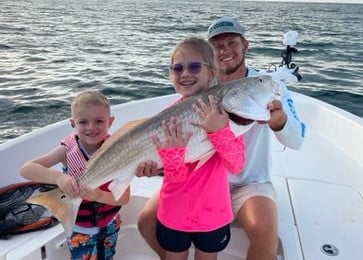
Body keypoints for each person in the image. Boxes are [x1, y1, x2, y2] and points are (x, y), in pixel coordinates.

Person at [137, 17, 306, 260]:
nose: (225, 50)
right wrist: (158, 165)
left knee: (266, 237)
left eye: (232, 42)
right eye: (217, 45)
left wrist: (279, 122)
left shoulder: (264, 85)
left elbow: (297, 140)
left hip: (249, 181)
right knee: (145, 220)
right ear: (209, 55)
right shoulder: (199, 86)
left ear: (245, 44)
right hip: (198, 179)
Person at [148, 36, 246, 260]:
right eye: (177, 68)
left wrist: (219, 131)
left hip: (213, 214)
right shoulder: (167, 120)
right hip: (174, 213)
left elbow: (236, 165)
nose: (185, 73)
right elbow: (176, 176)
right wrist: (172, 154)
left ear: (212, 72)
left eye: (194, 66)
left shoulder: (226, 115)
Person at [20, 90, 130, 260]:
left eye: (99, 121)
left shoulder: (117, 151)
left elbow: (124, 198)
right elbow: (26, 169)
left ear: (110, 121)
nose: (91, 127)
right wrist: (59, 178)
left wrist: (98, 195)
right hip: (80, 229)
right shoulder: (66, 151)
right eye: (83, 122)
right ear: (73, 123)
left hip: (110, 223)